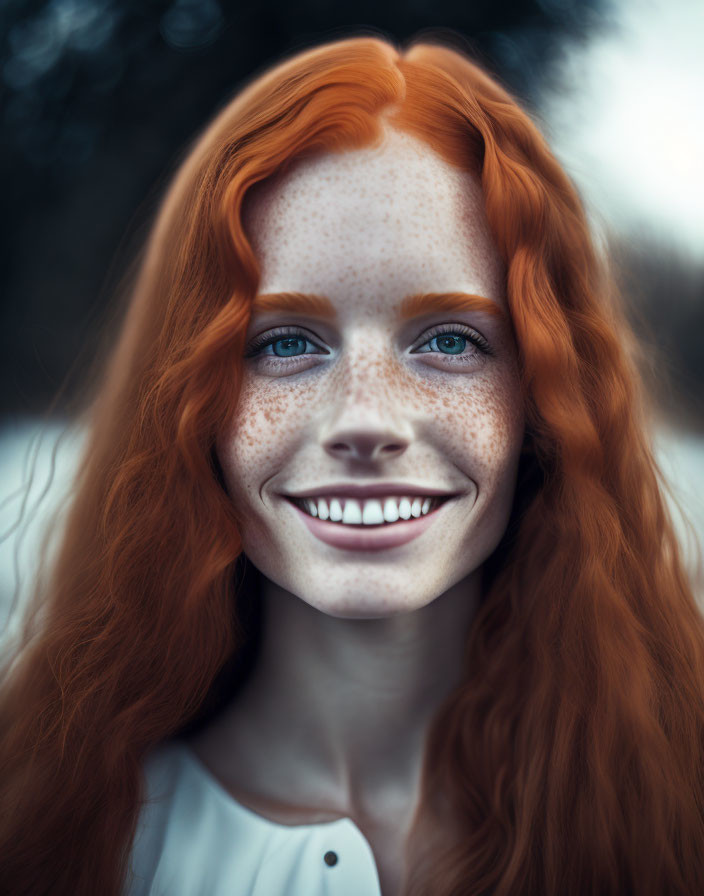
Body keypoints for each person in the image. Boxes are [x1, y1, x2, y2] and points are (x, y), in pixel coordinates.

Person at [1, 34, 703, 896]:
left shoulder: (676, 815)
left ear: (546, 404)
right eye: (286, 342)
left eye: (451, 340)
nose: (366, 421)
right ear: (189, 405)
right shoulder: (65, 846)